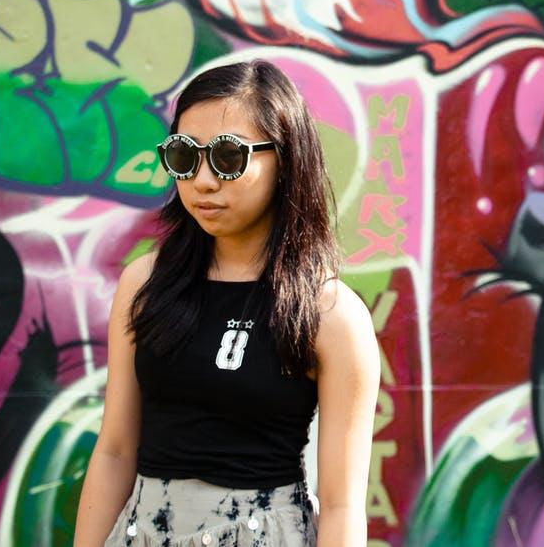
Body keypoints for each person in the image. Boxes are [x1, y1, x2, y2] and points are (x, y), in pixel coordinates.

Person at [74, 60, 380, 547]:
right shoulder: (145, 284)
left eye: (228, 157)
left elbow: (343, 506)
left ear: (285, 160)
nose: (203, 180)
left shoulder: (331, 315)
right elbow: (114, 450)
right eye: (184, 155)